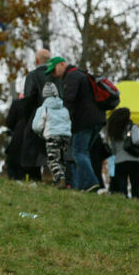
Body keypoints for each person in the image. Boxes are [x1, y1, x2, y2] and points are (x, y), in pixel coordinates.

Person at [47, 56, 106, 192]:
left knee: (78, 152)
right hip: (97, 119)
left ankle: (91, 182)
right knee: (82, 153)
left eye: (54, 70)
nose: (53, 74)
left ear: (62, 64)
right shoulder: (81, 74)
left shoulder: (72, 76)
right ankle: (81, 187)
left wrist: (62, 121)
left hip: (84, 121)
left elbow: (69, 101)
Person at [20, 48, 53, 181]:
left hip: (36, 118)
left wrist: (26, 118)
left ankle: (36, 180)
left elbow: (29, 98)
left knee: (32, 153)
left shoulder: (33, 76)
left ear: (36, 60)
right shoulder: (56, 76)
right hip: (54, 119)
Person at [32, 82, 71, 188]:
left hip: (52, 136)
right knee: (62, 159)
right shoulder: (64, 109)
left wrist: (41, 133)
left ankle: (60, 178)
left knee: (52, 160)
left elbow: (37, 126)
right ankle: (58, 181)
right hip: (65, 136)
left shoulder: (43, 109)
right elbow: (69, 123)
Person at [106, 108, 139, 198]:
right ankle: (135, 201)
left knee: (122, 187)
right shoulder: (132, 127)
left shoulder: (113, 130)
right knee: (135, 186)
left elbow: (113, 149)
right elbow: (136, 140)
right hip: (133, 160)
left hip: (119, 161)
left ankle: (125, 201)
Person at [5, 93, 27, 180]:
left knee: (13, 161)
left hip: (18, 136)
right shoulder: (37, 103)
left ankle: (14, 178)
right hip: (32, 140)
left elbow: (9, 122)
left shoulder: (17, 104)